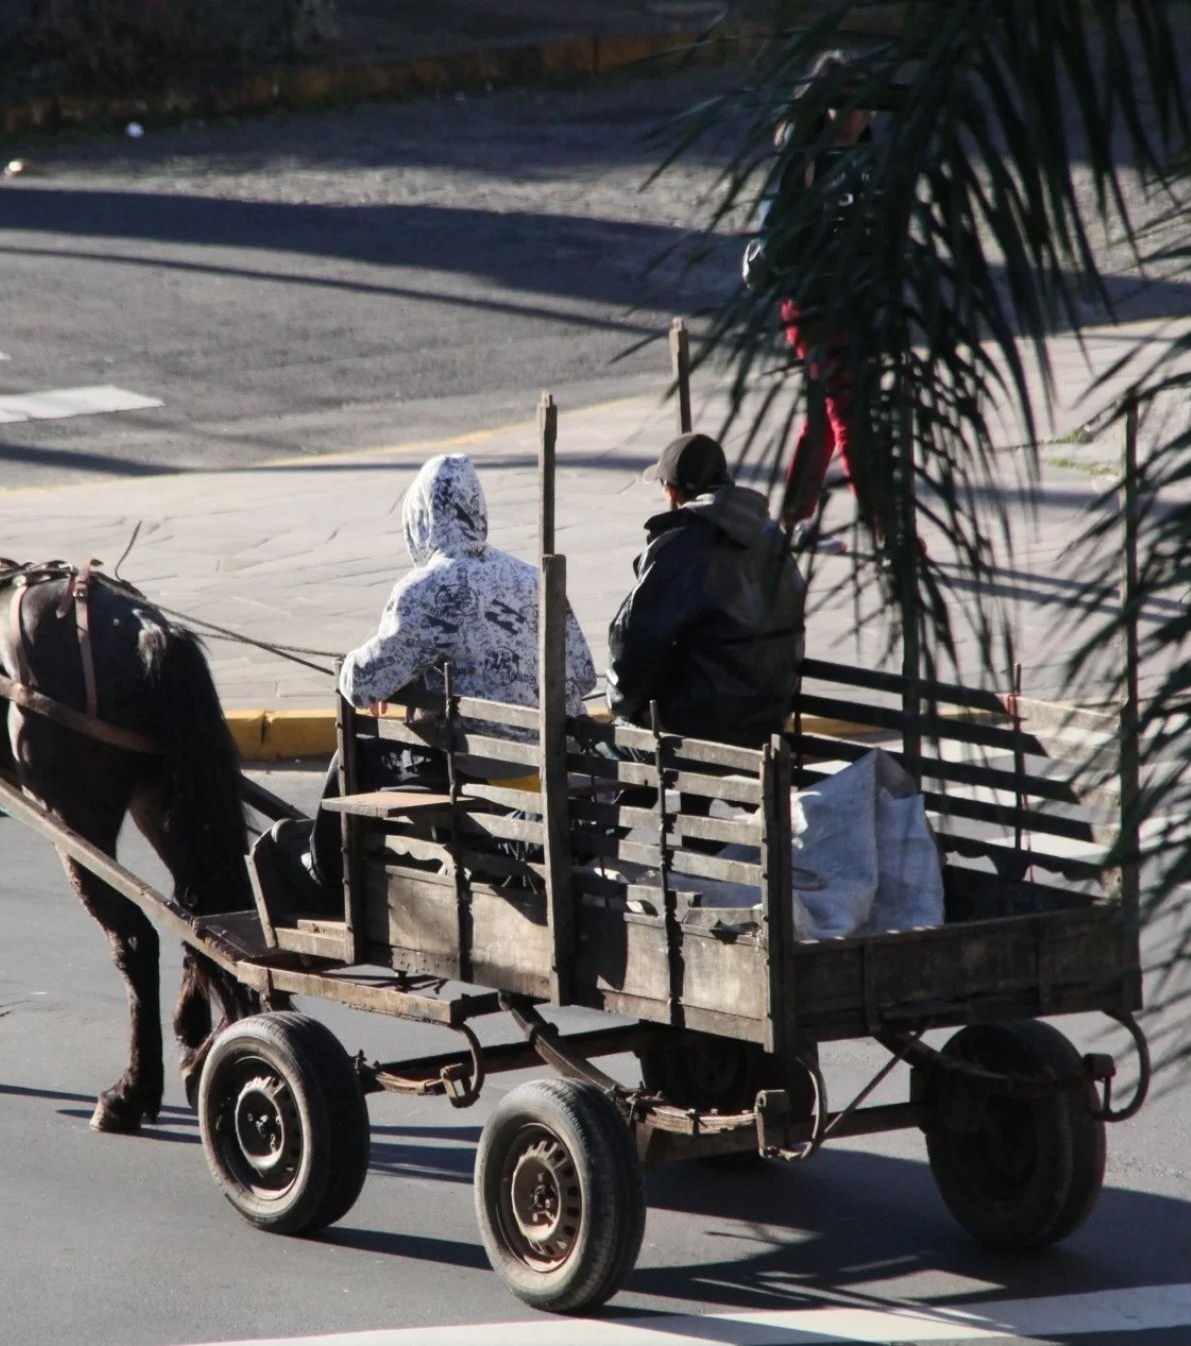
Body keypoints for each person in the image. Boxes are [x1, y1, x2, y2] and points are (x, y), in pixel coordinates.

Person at [255, 453, 597, 902]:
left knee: (356, 752)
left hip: (477, 769)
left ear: (419, 519)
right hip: (550, 764)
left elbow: (360, 684)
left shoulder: (427, 588)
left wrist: (370, 671)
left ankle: (322, 870)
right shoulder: (533, 579)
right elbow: (584, 675)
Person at [741, 49, 877, 554]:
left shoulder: (864, 151)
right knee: (850, 418)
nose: (861, 114)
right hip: (814, 304)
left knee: (824, 417)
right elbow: (782, 234)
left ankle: (792, 523)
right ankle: (889, 532)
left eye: (868, 103)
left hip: (850, 301)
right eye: (850, 103)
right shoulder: (806, 157)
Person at [607, 432, 806, 752]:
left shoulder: (683, 544)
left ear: (672, 490)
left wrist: (621, 705)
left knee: (611, 742)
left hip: (703, 724)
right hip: (769, 715)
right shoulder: (770, 533)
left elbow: (634, 641)